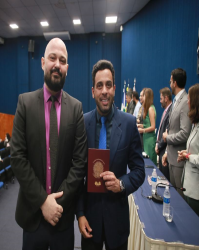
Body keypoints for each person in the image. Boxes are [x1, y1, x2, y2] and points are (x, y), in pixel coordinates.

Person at [11, 38, 87, 250]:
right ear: (43, 62)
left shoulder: (76, 108)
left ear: (67, 68)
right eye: (52, 58)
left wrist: (56, 206)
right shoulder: (24, 103)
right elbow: (17, 158)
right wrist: (44, 202)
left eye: (62, 60)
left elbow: (79, 163)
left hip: (62, 219)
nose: (57, 64)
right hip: (33, 214)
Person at [77, 60, 145, 250]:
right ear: (93, 91)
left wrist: (121, 184)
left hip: (118, 220)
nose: (104, 91)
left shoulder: (130, 124)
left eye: (108, 85)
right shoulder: (83, 123)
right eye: (99, 86)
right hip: (90, 221)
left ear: (115, 89)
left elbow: (139, 171)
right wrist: (80, 213)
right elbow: (78, 174)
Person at [162, 68, 192, 197]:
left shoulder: (185, 101)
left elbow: (185, 133)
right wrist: (167, 153)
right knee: (174, 199)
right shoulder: (176, 101)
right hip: (172, 158)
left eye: (170, 81)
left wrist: (168, 138)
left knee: (181, 202)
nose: (169, 84)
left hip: (179, 161)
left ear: (174, 83)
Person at [177, 83, 199, 216]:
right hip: (188, 188)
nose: (187, 102)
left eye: (189, 99)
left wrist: (188, 157)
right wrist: (187, 153)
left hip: (196, 193)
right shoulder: (195, 125)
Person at [155, 88, 172, 180]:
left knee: (165, 180)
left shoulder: (170, 111)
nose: (160, 101)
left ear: (166, 98)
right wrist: (157, 143)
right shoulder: (165, 111)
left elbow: (167, 132)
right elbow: (161, 130)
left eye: (161, 99)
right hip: (161, 149)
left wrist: (159, 146)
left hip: (165, 150)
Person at [137, 88, 157, 165]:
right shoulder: (148, 108)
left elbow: (152, 127)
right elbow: (147, 124)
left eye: (144, 96)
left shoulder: (151, 109)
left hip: (149, 140)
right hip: (146, 139)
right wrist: (140, 125)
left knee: (150, 163)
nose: (142, 98)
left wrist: (143, 130)